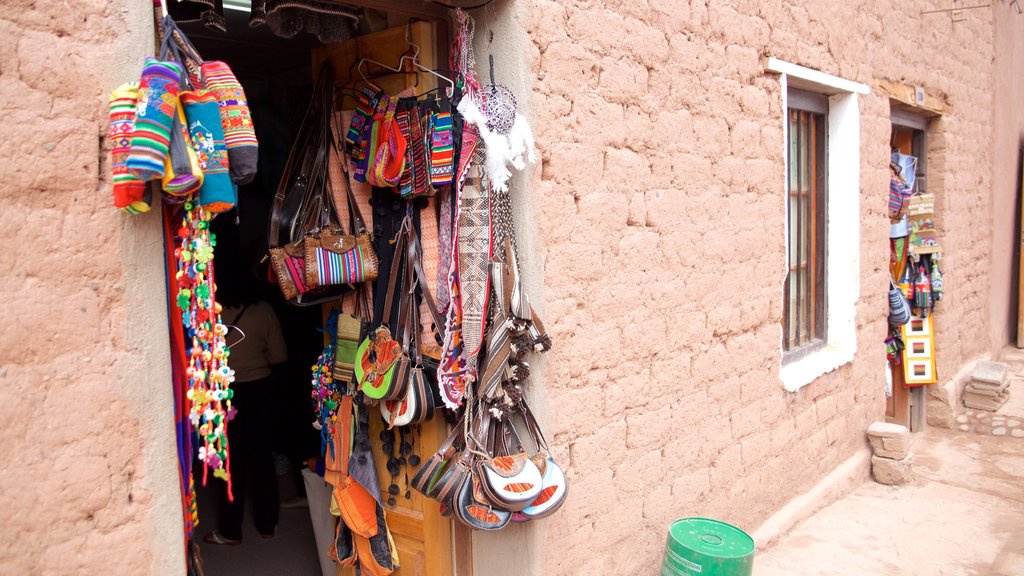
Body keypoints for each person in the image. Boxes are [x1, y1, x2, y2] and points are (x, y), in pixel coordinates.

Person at [204, 268, 288, 545]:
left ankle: (230, 531)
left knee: (229, 462)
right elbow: (280, 355)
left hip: (223, 393)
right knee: (262, 457)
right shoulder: (263, 311)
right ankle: (268, 525)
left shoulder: (211, 313)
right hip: (259, 390)